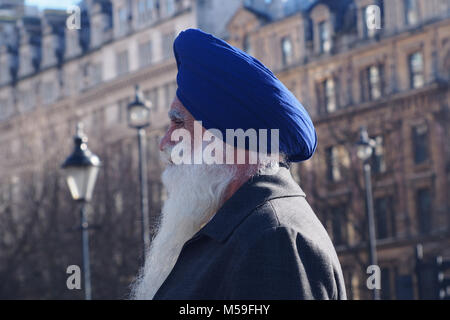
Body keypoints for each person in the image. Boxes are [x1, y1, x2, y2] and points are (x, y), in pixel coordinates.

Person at [130, 29, 346, 300]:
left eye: (178, 123)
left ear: (223, 138)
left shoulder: (274, 238)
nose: (165, 142)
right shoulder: (242, 227)